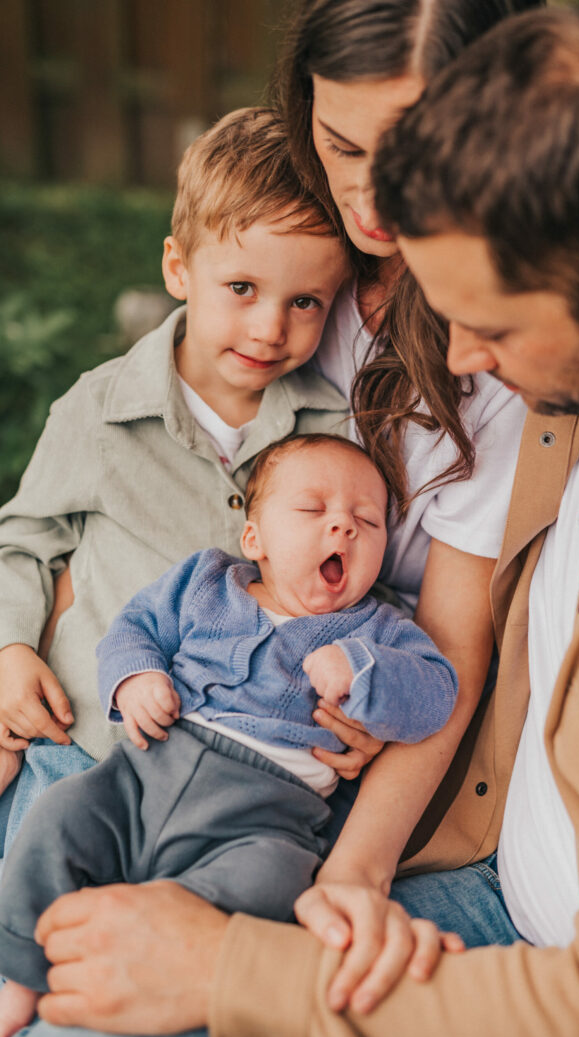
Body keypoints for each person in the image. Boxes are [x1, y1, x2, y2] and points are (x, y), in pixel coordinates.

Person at [12, 4, 579, 1037]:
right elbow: (149, 488)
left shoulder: (551, 399)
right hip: (181, 762)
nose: (458, 354)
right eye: (343, 147)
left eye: (494, 324)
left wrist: (256, 944)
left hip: (445, 902)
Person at [0, 433, 459, 1037]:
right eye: (312, 510)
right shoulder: (205, 582)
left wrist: (364, 672)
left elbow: (437, 692)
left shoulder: (380, 628)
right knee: (55, 816)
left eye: (367, 521)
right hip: (141, 775)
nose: (343, 528)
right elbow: (133, 629)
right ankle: (23, 977)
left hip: (265, 817)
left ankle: (146, 948)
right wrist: (136, 678)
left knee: (271, 884)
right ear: (255, 538)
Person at [0, 106, 350, 840]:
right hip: (87, 741)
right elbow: (24, 540)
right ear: (178, 268)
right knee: (32, 917)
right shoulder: (100, 411)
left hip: (243, 775)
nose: (269, 328)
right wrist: (9, 649)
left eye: (305, 302)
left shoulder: (334, 430)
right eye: (242, 288)